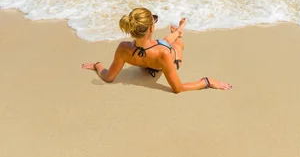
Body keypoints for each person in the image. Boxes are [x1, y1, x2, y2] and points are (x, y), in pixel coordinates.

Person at [82, 8, 232, 93]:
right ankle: (179, 32)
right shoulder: (163, 53)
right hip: (170, 59)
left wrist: (97, 65)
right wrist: (206, 82)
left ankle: (179, 30)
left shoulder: (123, 48)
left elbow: (108, 77)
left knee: (165, 41)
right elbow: (178, 88)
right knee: (177, 45)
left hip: (150, 56)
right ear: (152, 28)